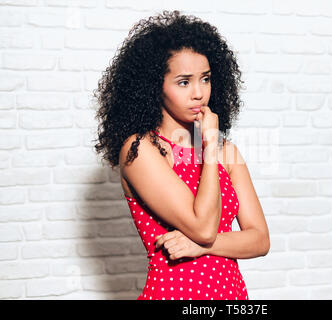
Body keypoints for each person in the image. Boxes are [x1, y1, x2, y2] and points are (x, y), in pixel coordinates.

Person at [93, 10, 270, 300]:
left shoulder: (228, 152)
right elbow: (202, 226)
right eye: (184, 82)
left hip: (230, 295)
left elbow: (260, 239)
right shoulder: (141, 150)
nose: (199, 93)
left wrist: (204, 246)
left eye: (206, 79)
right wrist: (209, 148)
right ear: (155, 86)